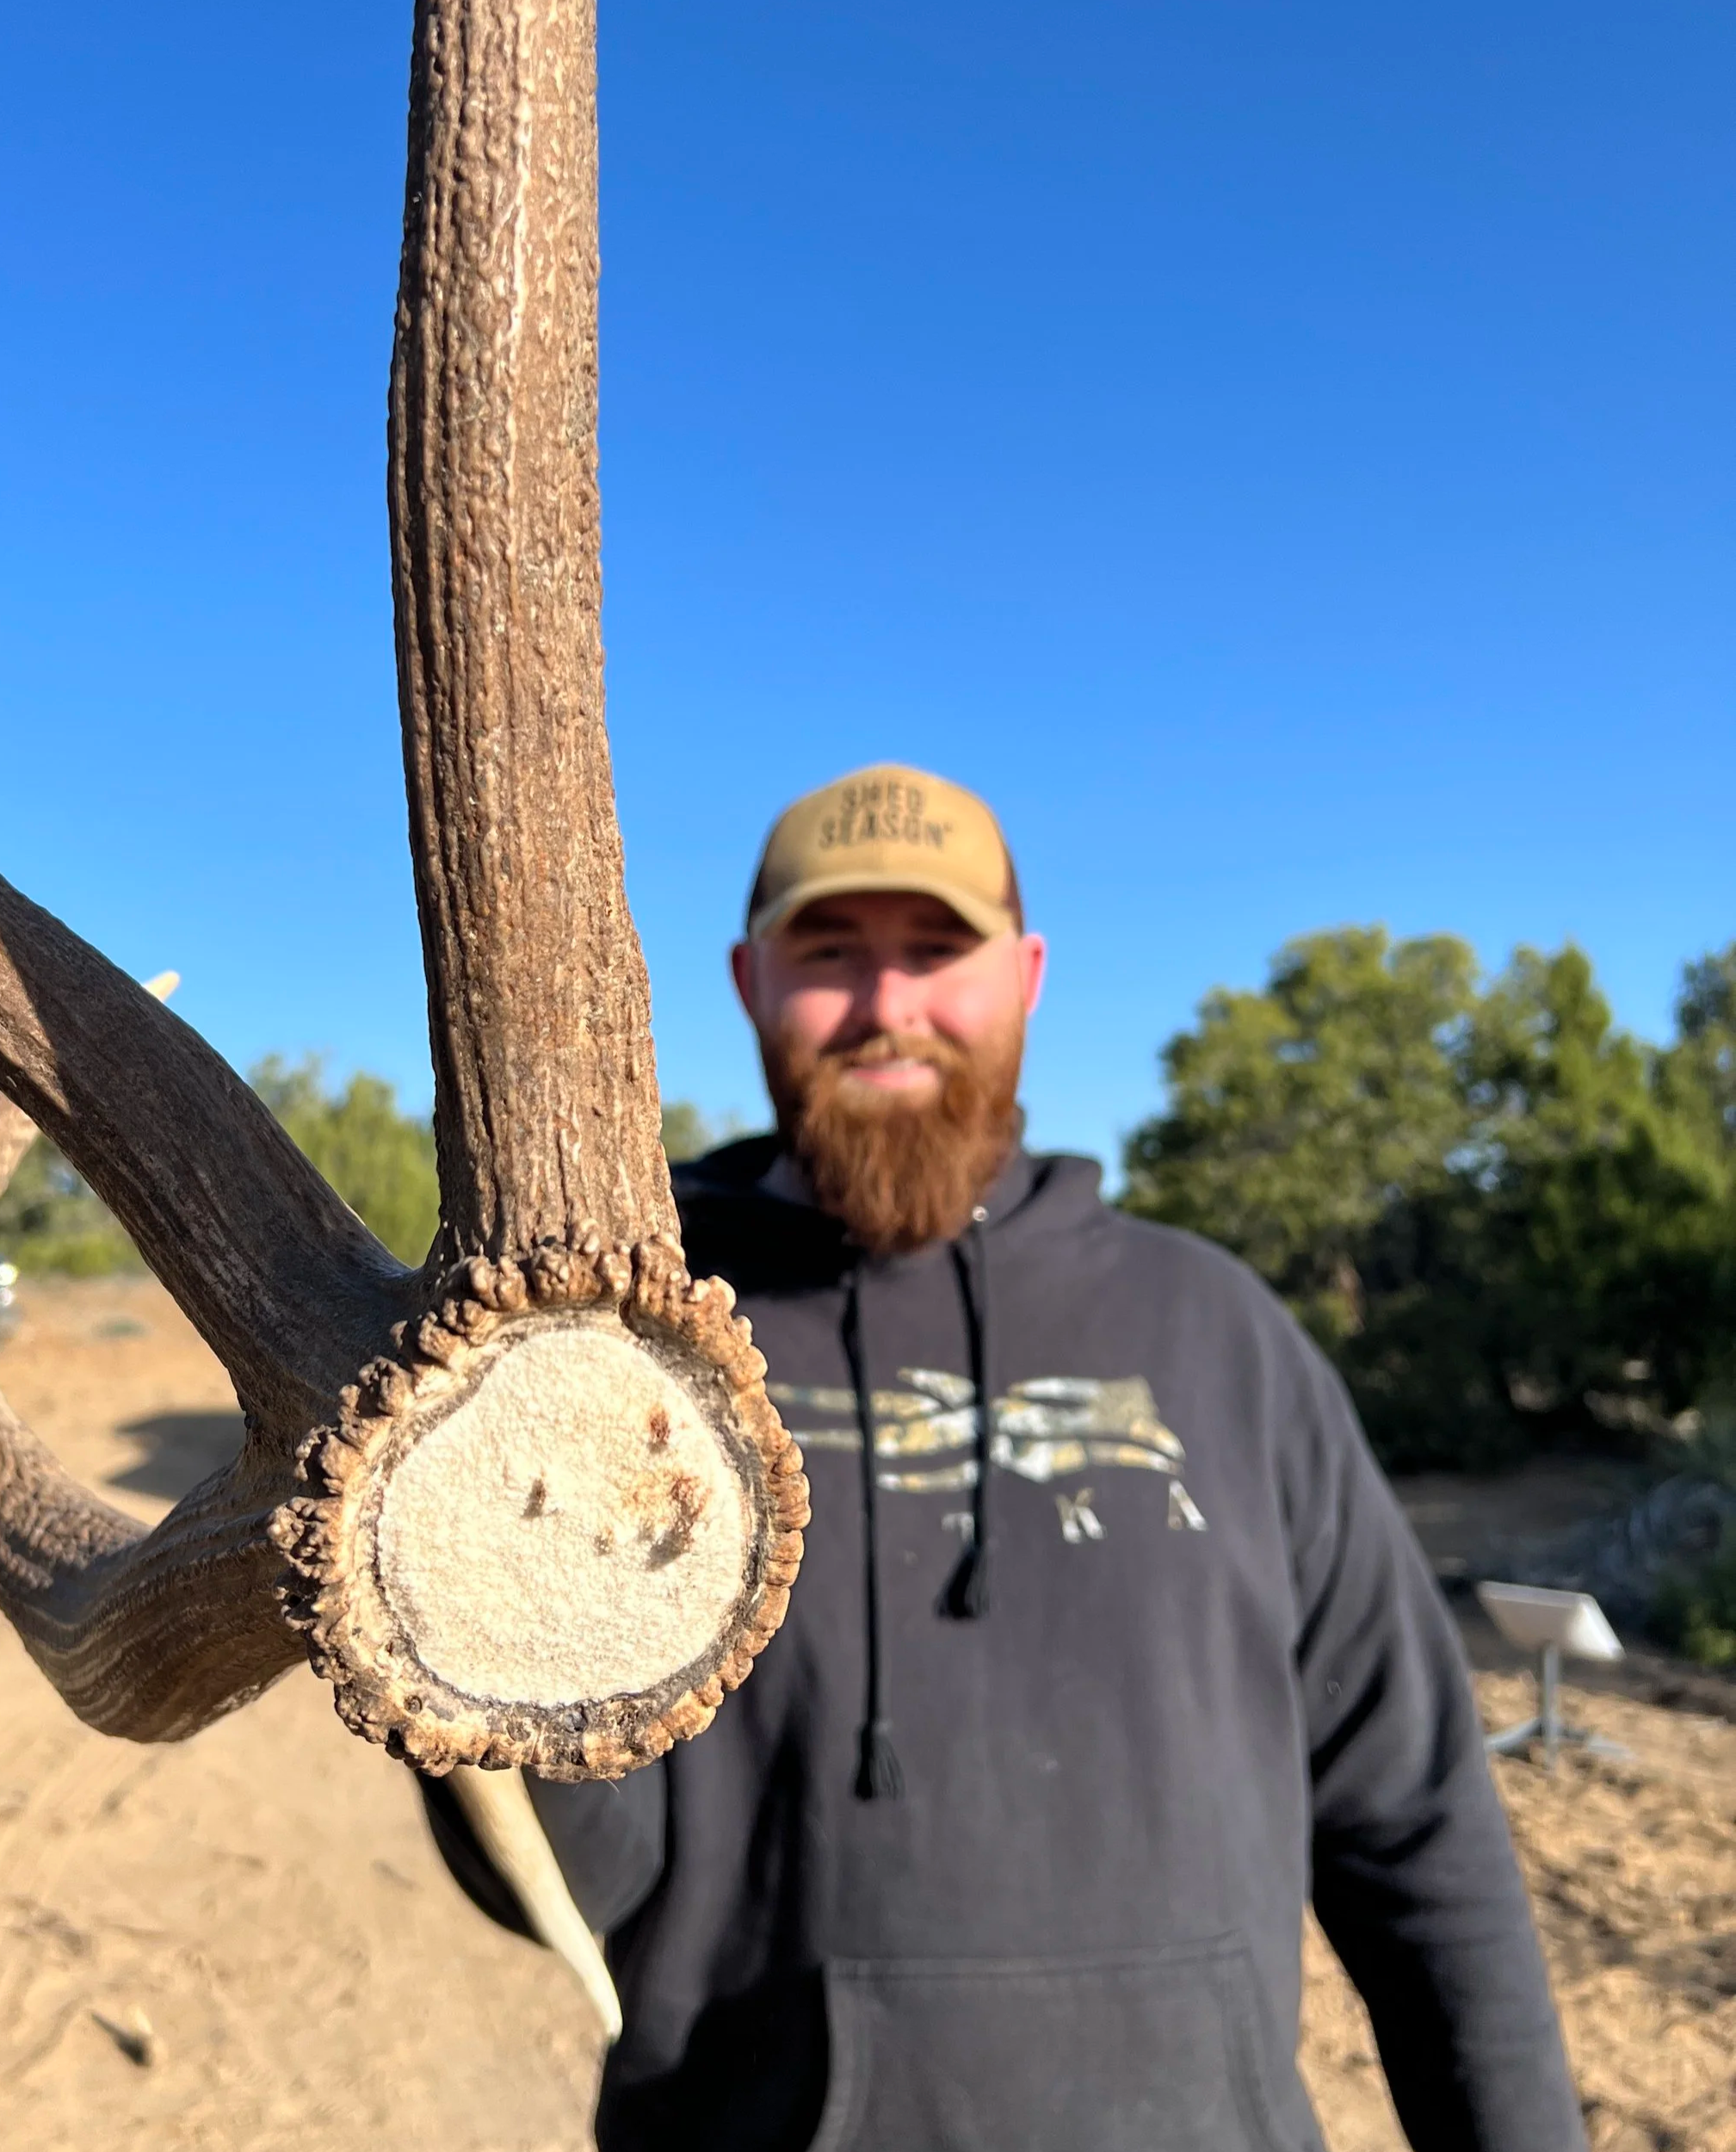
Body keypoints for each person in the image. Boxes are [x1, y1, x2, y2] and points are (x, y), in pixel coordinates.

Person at [423, 764, 1586, 2152]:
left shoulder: (1217, 1336)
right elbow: (571, 1885)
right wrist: (472, 1593)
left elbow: (1420, 1828)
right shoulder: (622, 1353)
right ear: (746, 981)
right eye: (831, 954)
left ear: (1027, 974)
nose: (889, 1006)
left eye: (937, 950)